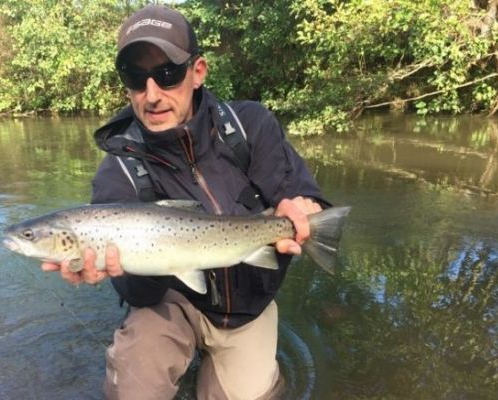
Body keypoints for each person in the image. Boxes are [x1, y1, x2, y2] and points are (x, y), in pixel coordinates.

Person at [42, 4, 330, 399]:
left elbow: (305, 198)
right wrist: (109, 271)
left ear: (197, 72)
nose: (152, 95)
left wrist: (307, 211)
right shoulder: (118, 172)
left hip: (249, 306)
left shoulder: (251, 126)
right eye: (136, 78)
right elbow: (139, 295)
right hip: (171, 304)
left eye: (167, 74)